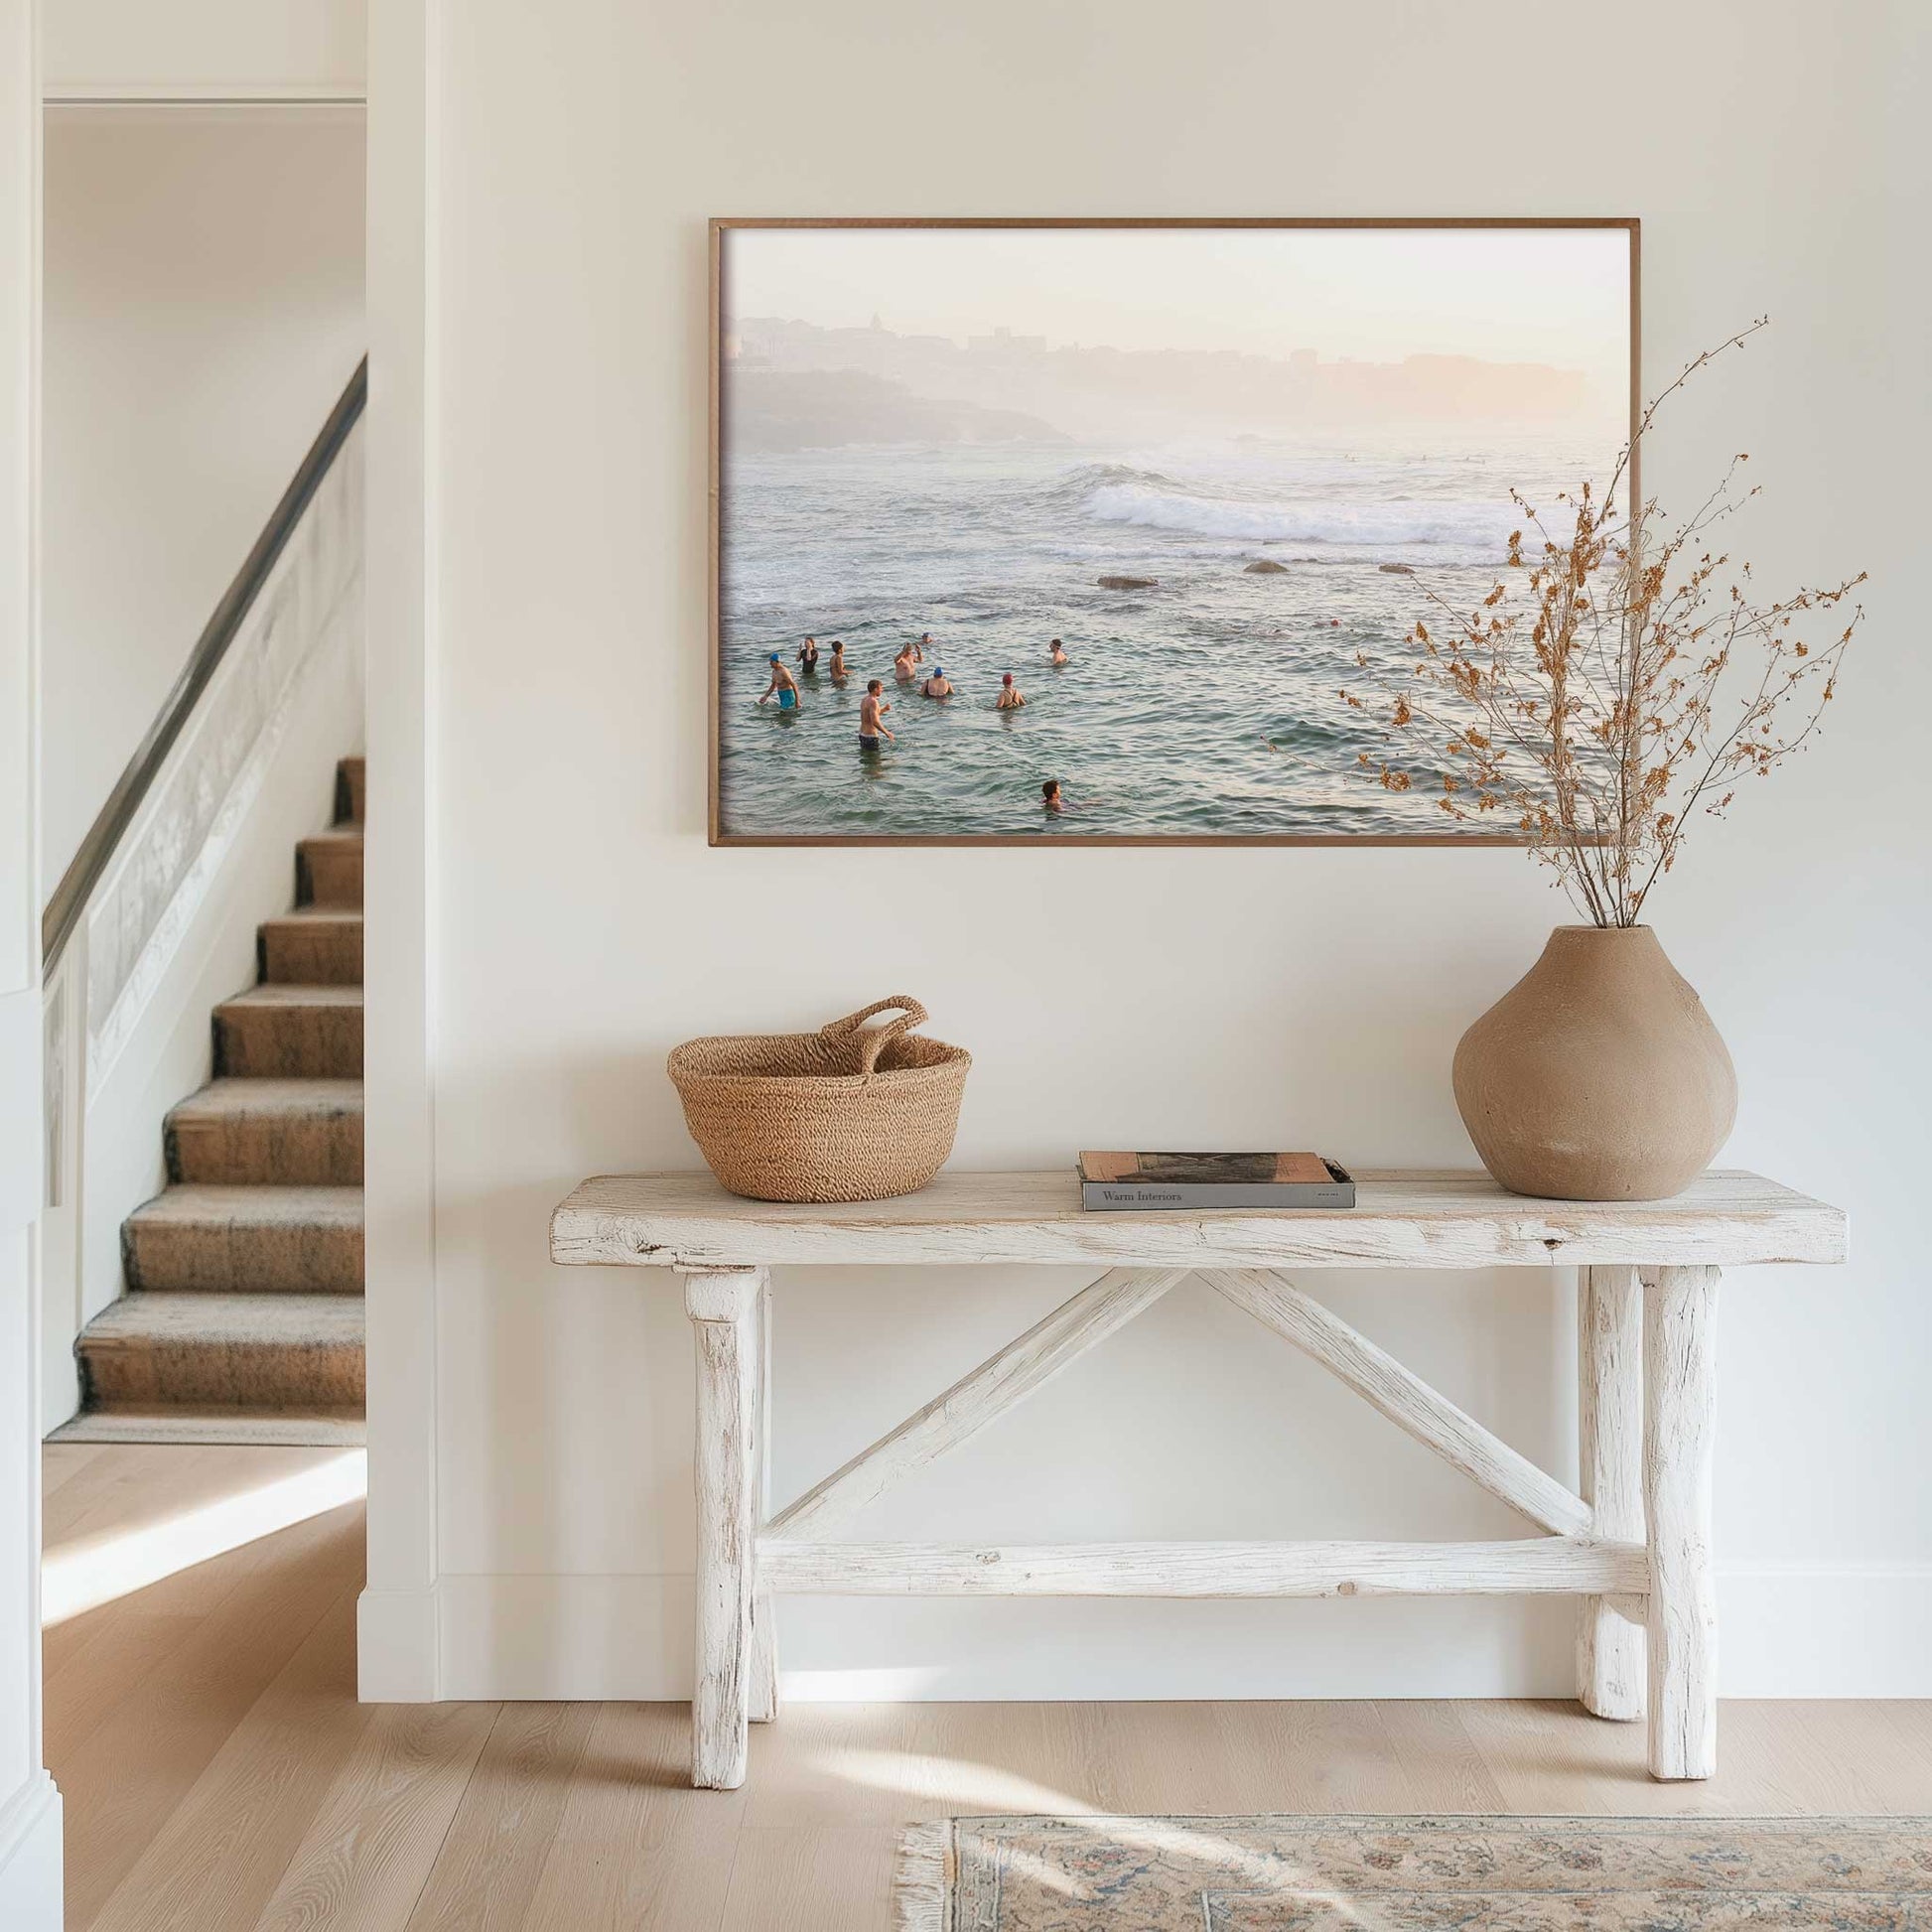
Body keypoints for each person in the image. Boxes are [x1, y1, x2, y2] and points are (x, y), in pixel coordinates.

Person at [858, 678, 895, 752]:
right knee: (875, 762)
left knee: (867, 759)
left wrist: (884, 709)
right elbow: (874, 721)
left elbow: (869, 717)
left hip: (862, 734)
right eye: (880, 688)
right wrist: (886, 732)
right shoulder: (873, 702)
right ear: (875, 689)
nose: (882, 690)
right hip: (870, 736)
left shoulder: (864, 699)